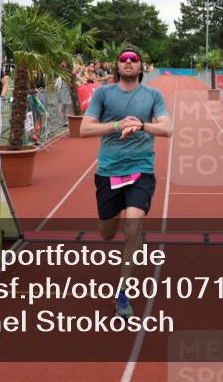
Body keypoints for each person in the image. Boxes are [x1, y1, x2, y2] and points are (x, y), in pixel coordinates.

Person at [80, 46, 171, 318]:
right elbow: (85, 129)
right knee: (107, 232)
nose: (129, 62)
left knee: (132, 223)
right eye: (124, 60)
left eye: (134, 60)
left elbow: (167, 128)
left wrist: (142, 125)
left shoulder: (153, 95)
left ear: (141, 67)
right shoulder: (104, 94)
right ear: (118, 67)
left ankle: (123, 292)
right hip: (109, 170)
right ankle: (132, 231)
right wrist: (118, 125)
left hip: (141, 169)